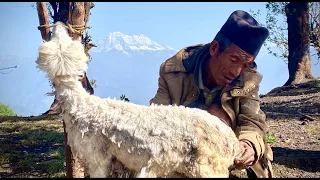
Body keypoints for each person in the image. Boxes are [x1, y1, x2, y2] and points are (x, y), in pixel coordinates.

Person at [149, 10, 273, 178]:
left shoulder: (248, 79)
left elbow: (253, 122)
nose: (237, 71)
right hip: (183, 152)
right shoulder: (174, 71)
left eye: (246, 64)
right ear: (215, 48)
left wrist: (248, 144)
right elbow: (156, 118)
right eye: (234, 60)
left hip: (229, 155)